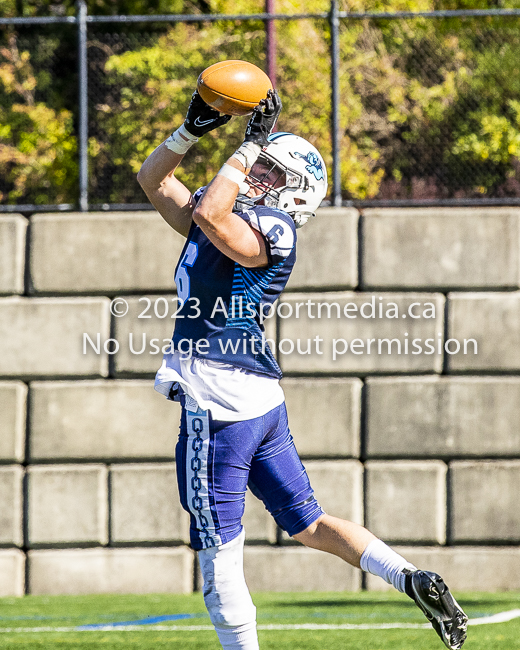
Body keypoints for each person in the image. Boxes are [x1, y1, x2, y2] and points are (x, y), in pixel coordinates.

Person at [137, 87, 468, 650]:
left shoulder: (273, 229)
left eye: (267, 167)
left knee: (219, 558)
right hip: (258, 401)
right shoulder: (224, 215)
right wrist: (189, 131)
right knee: (309, 524)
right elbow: (152, 181)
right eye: (259, 163)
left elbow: (216, 213)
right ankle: (410, 577)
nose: (255, 171)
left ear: (290, 190)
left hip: (219, 400)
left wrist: (248, 143)